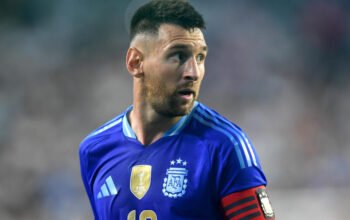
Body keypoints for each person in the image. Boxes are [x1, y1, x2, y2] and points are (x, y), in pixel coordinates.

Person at [79, 0, 275, 219]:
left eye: (200, 57)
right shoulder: (94, 150)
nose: (194, 72)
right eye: (178, 56)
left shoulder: (225, 147)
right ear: (135, 62)